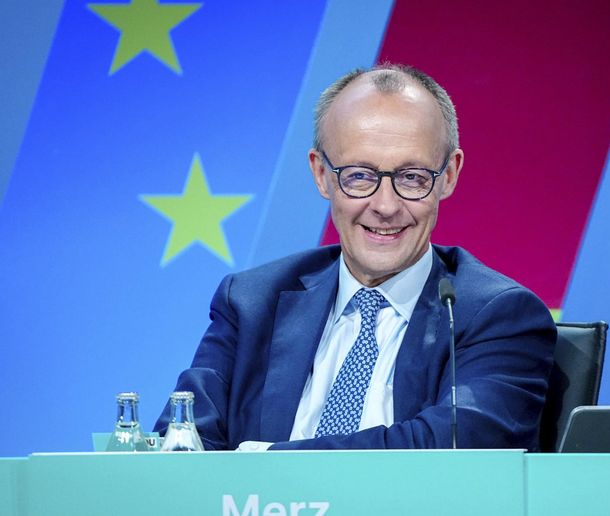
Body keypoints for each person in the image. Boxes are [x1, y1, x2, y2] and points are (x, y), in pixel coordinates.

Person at [155, 64, 556, 451]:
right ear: (321, 174)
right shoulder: (251, 302)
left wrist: (268, 461)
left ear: (448, 175)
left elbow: (452, 447)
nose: (385, 206)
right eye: (359, 175)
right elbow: (182, 439)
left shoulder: (495, 315)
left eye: (412, 177)